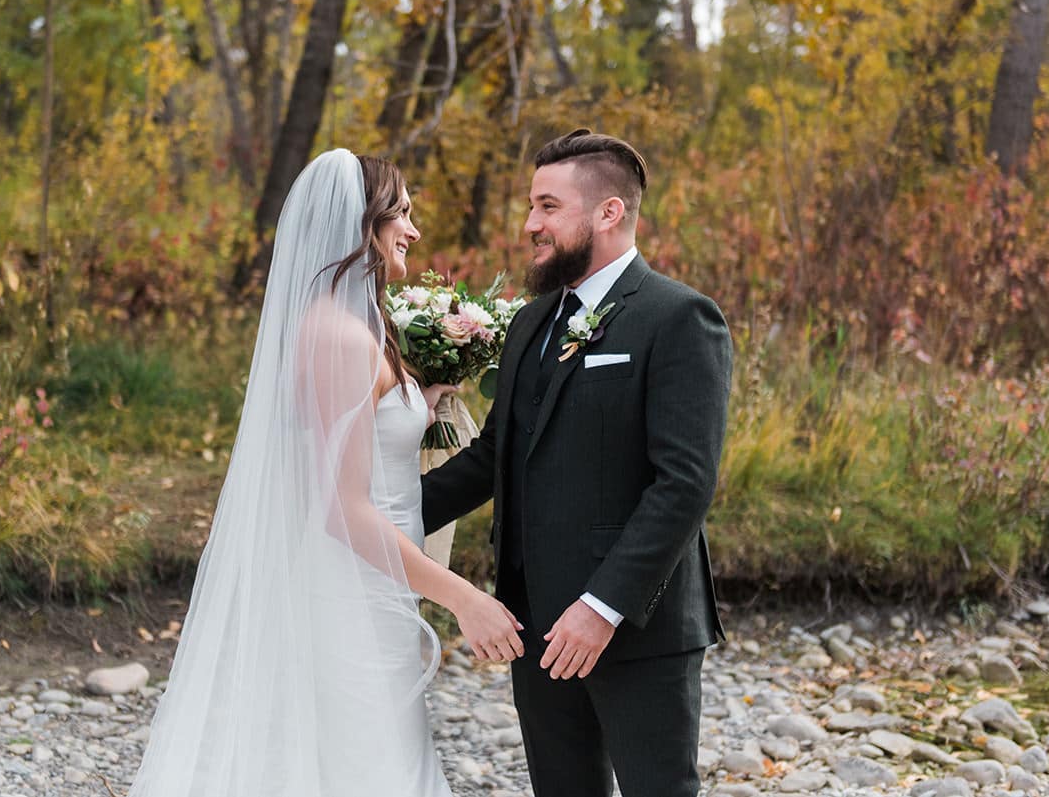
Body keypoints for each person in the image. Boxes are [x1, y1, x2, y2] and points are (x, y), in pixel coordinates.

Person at [128, 149, 522, 797]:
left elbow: (359, 439)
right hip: (351, 593)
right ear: (362, 225)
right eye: (403, 213)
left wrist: (419, 404)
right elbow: (342, 508)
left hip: (377, 586)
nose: (415, 232)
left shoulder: (352, 327)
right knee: (367, 766)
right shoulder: (341, 337)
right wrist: (463, 596)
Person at [422, 129, 733, 797]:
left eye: (548, 206)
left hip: (636, 625)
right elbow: (492, 457)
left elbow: (684, 483)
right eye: (532, 207)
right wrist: (383, 511)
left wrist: (603, 606)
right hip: (534, 623)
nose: (531, 224)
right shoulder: (531, 324)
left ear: (609, 212)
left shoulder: (679, 318)